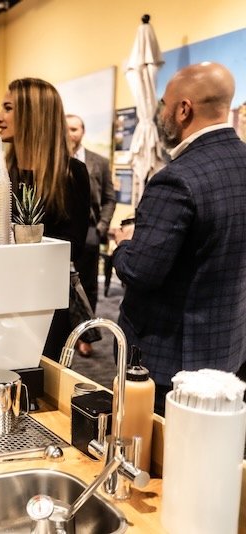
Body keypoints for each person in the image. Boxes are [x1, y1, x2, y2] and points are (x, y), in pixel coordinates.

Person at [111, 62, 246, 415]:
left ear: (183, 109)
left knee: (159, 459)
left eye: (164, 105)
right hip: (228, 348)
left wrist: (123, 243)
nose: (161, 115)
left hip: (168, 362)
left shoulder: (176, 179)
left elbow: (141, 272)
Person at [0, 78, 91, 361]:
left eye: (8, 108)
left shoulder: (72, 174)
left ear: (32, 115)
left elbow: (72, 247)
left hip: (45, 307)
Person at [66, 114, 116, 357]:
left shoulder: (99, 162)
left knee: (88, 285)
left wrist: (102, 226)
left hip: (90, 231)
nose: (70, 133)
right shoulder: (55, 161)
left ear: (82, 131)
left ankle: (86, 337)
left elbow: (109, 197)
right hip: (63, 231)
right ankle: (66, 332)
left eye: (74, 128)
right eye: (66, 129)